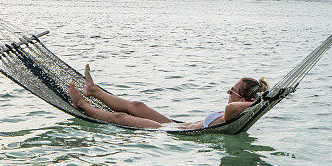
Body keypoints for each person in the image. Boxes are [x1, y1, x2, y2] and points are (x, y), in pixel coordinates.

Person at [68, 65, 268, 130]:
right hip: (172, 125)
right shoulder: (240, 109)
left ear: (242, 99)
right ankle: (93, 90)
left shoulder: (235, 112)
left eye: (231, 91)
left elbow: (229, 110)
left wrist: (258, 102)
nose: (228, 93)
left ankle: (82, 105)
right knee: (138, 105)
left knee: (121, 117)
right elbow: (232, 108)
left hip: (170, 134)